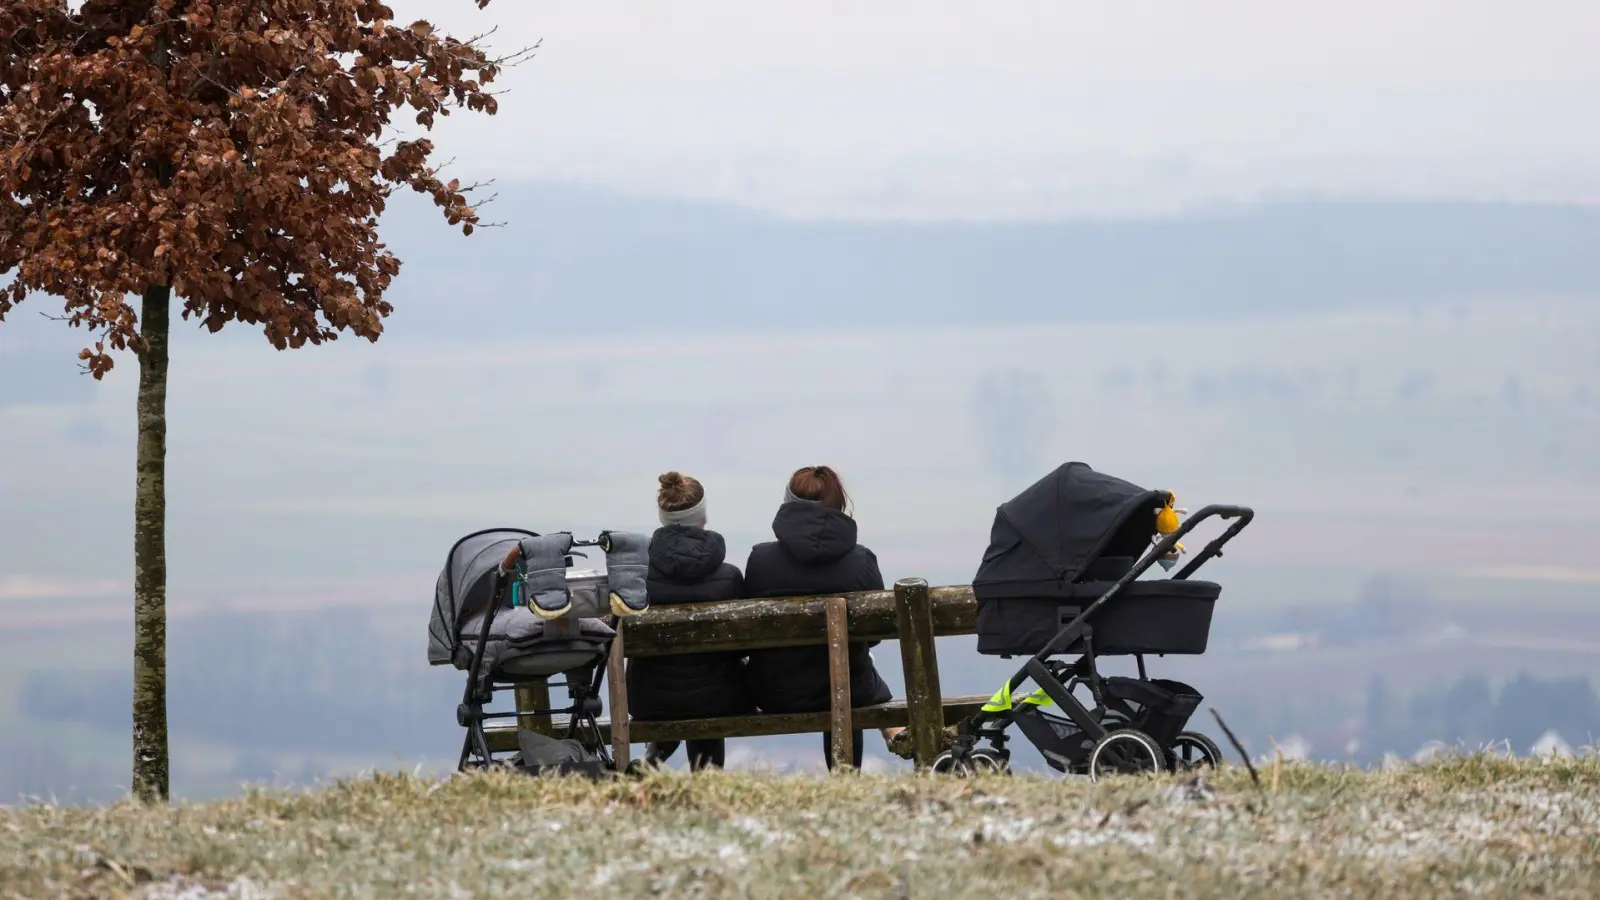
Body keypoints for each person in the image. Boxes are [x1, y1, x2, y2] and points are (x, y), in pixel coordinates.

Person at [742, 466, 903, 769]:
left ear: (788, 503)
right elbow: (876, 634)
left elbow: (751, 633)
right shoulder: (861, 561)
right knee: (848, 676)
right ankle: (847, 773)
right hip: (849, 691)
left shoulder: (761, 560)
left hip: (775, 692)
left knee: (848, 675)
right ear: (838, 503)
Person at [626, 471, 752, 770]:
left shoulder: (638, 579)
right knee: (709, 683)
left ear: (663, 517)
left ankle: (654, 758)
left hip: (650, 700)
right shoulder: (729, 577)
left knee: (682, 682)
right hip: (720, 699)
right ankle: (707, 777)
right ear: (703, 516)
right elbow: (743, 646)